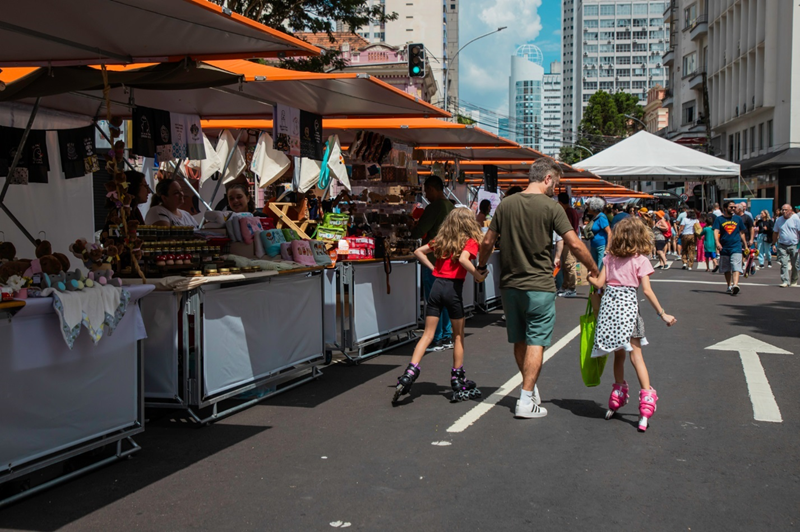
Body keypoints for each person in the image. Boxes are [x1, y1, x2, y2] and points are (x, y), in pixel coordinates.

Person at [477, 159, 599, 419]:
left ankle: (528, 390)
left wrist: (480, 266)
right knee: (537, 341)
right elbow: (574, 244)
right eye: (556, 182)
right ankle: (525, 398)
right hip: (539, 286)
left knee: (520, 339)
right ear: (546, 178)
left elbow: (487, 240)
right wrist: (593, 268)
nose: (557, 187)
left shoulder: (506, 204)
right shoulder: (551, 208)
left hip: (509, 285)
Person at [587, 217, 677, 432]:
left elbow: (599, 283)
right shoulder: (641, 260)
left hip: (609, 313)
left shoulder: (609, 258)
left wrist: (590, 277)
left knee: (617, 355)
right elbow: (646, 290)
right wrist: (662, 314)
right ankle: (646, 400)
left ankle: (617, 394)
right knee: (636, 356)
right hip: (629, 313)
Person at [393, 208, 488, 403]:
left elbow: (418, 251)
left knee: (427, 335)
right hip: (453, 289)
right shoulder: (470, 241)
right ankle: (457, 377)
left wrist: (433, 267)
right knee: (458, 336)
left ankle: (410, 372)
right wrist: (477, 275)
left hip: (436, 287)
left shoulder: (442, 240)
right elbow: (463, 259)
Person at [411, 176, 455, 351]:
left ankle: (435, 337)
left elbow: (419, 231)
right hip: (448, 259)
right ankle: (446, 335)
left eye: (426, 191)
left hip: (432, 258)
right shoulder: (451, 207)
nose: (426, 195)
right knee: (444, 299)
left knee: (433, 300)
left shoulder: (434, 207)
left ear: (432, 188)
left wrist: (411, 226)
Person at [713, 200, 748, 295]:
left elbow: (741, 232)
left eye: (734, 207)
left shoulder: (738, 219)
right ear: (725, 208)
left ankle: (735, 285)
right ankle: (729, 285)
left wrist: (745, 244)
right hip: (724, 247)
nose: (733, 209)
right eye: (731, 207)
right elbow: (716, 231)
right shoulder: (719, 219)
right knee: (726, 268)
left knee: (736, 265)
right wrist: (717, 243)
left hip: (736, 246)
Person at [557, 192, 581, 298]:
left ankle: (571, 288)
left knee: (569, 265)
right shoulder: (572, 211)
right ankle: (566, 286)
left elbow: (567, 228)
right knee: (567, 265)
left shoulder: (568, 212)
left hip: (569, 242)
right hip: (570, 241)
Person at [772, 204, 800, 287]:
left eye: (786, 210)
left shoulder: (796, 219)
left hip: (794, 245)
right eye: (783, 210)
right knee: (784, 263)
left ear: (790, 211)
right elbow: (775, 232)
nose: (784, 211)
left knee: (795, 265)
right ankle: (785, 281)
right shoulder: (779, 220)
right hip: (782, 245)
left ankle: (794, 280)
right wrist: (774, 243)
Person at [584, 197, 612, 271]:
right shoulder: (595, 217)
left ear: (593, 207)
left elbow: (609, 232)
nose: (588, 208)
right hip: (594, 246)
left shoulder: (601, 217)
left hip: (601, 246)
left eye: (589, 206)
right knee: (595, 267)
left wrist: (607, 248)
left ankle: (600, 282)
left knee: (600, 267)